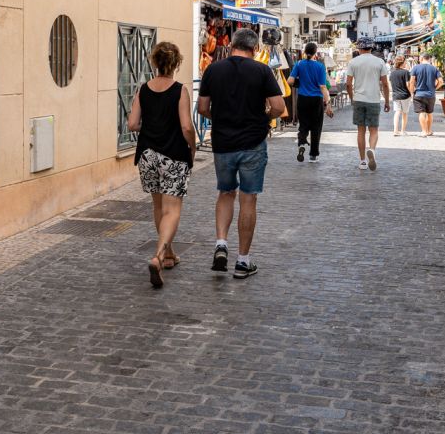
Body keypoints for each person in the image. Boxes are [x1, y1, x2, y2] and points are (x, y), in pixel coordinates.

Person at [197, 28, 287, 279]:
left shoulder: (213, 70)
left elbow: (202, 107)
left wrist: (224, 118)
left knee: (225, 193)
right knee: (248, 199)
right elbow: (279, 107)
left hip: (223, 144)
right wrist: (263, 117)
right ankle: (243, 261)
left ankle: (221, 244)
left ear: (231, 45)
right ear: (255, 49)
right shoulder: (261, 70)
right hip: (252, 144)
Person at [127, 41, 195, 288]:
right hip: (173, 154)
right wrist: (193, 147)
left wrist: (152, 127)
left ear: (154, 62)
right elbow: (187, 126)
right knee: (172, 210)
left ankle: (168, 254)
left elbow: (132, 124)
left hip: (147, 156)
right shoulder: (179, 90)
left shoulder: (143, 90)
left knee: (158, 208)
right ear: (176, 64)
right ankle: (157, 256)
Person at [345, 37, 391, 171]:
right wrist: (387, 101)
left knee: (360, 131)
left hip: (359, 99)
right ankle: (371, 149)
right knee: (374, 130)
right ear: (371, 48)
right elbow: (385, 84)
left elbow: (348, 84)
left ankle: (362, 161)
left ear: (359, 48)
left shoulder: (353, 62)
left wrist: (352, 98)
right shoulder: (379, 62)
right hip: (374, 100)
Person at [289, 42, 334, 163]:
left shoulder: (299, 64)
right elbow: (323, 87)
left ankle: (302, 143)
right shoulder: (320, 67)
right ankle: (313, 155)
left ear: (304, 52)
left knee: (303, 124)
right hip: (316, 100)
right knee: (316, 127)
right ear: (315, 53)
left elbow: (290, 81)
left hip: (302, 99)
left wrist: (299, 83)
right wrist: (328, 103)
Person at [409, 52, 444, 137]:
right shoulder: (434, 68)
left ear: (421, 59)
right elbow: (441, 82)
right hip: (431, 95)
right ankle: (429, 131)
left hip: (419, 93)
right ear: (429, 59)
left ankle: (424, 131)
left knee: (421, 112)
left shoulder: (416, 68)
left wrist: (411, 92)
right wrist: (435, 88)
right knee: (429, 113)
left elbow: (412, 81)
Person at [389, 55, 412, 137]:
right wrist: (412, 93)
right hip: (405, 95)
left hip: (396, 95)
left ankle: (395, 130)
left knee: (397, 112)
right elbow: (408, 84)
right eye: (405, 61)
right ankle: (402, 131)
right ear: (402, 63)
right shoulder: (406, 72)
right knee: (405, 113)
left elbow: (390, 85)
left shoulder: (392, 73)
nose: (406, 63)